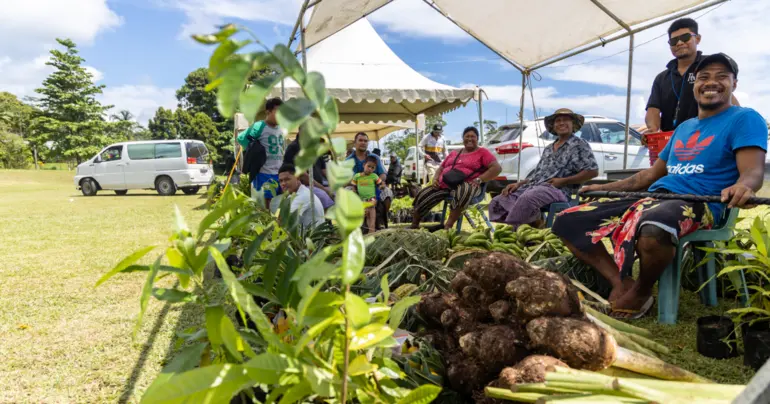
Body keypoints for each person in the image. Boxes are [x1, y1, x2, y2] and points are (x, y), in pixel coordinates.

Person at [553, 53, 766, 319]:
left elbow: (753, 171)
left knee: (655, 225)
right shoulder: (684, 128)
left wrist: (745, 186)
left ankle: (642, 290)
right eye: (704, 77)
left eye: (722, 76)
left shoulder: (745, 118)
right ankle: (621, 282)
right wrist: (601, 187)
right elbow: (649, 175)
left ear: (734, 84)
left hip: (701, 201)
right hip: (655, 197)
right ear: (695, 84)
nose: (712, 82)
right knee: (567, 220)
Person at [488, 108, 599, 228]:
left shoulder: (579, 144)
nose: (561, 123)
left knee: (528, 198)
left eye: (566, 120)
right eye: (558, 120)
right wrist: (519, 184)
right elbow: (537, 174)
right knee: (498, 201)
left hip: (558, 190)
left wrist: (564, 181)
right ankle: (535, 224)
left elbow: (592, 171)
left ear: (573, 124)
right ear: (554, 126)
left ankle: (514, 233)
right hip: (534, 187)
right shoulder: (549, 148)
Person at [644, 18, 739, 140]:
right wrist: (652, 129)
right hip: (670, 142)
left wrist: (739, 121)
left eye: (685, 37)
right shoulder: (662, 78)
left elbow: (728, 97)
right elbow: (653, 108)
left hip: (708, 138)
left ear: (697, 39)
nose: (679, 43)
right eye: (673, 41)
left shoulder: (711, 66)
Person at [411, 126, 502, 230]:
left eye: (473, 136)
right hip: (446, 184)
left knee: (464, 190)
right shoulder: (455, 152)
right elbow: (441, 167)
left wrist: (479, 179)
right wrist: (436, 179)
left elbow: (497, 168)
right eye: (467, 136)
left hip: (469, 184)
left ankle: (448, 226)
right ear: (463, 138)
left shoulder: (483, 152)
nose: (469, 139)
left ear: (477, 138)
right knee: (425, 193)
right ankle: (414, 225)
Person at [237, 97, 285, 208]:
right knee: (265, 205)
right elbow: (241, 138)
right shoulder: (259, 126)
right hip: (264, 172)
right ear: (268, 111)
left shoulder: (281, 128)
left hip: (279, 172)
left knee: (280, 203)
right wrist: (254, 151)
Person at [276, 164, 326, 229]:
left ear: (297, 178)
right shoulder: (293, 194)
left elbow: (282, 222)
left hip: (311, 238)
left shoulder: (303, 196)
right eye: (281, 181)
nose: (283, 183)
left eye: (287, 179)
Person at [352, 156, 385, 234]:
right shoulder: (357, 176)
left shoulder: (374, 176)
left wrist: (382, 186)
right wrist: (354, 190)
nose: (370, 169)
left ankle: (371, 232)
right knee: (361, 218)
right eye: (368, 166)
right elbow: (354, 185)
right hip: (361, 200)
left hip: (371, 199)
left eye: (372, 168)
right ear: (364, 165)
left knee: (371, 218)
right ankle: (361, 233)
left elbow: (381, 184)